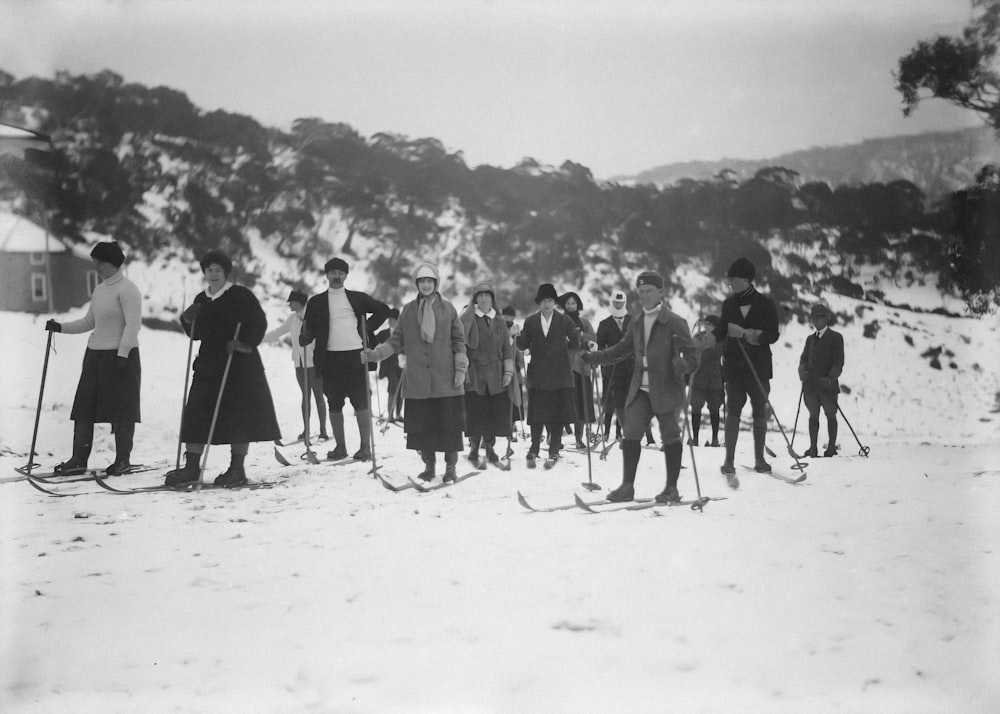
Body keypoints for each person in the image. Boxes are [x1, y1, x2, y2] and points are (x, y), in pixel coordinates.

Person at [165, 250, 281, 486]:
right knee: (197, 413)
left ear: (226, 273)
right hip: (209, 363)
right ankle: (191, 468)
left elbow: (259, 322)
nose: (213, 274)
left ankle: (237, 469)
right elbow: (196, 334)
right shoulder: (202, 299)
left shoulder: (240, 295)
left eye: (218, 270)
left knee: (237, 416)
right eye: (209, 270)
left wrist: (243, 343)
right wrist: (188, 320)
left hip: (238, 363)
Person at [580, 272, 698, 503]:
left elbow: (693, 357)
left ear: (661, 292)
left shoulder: (675, 322)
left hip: (666, 388)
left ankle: (671, 488)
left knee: (670, 436)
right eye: (641, 291)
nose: (644, 296)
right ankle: (627, 487)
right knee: (631, 433)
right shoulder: (636, 321)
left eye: (649, 291)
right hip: (640, 389)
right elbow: (620, 350)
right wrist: (594, 358)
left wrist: (683, 365)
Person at [362, 263, 468, 482]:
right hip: (418, 382)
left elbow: (459, 340)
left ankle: (450, 469)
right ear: (417, 284)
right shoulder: (408, 310)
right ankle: (429, 467)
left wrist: (460, 367)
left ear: (436, 283)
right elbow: (396, 340)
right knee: (423, 429)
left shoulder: (448, 309)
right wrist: (376, 354)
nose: (426, 285)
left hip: (446, 380)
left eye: (430, 281)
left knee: (449, 428)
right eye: (422, 281)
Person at [45, 241, 142, 475]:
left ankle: (122, 460)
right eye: (95, 262)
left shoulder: (128, 289)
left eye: (100, 262)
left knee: (121, 410)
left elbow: (133, 325)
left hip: (121, 357)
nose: (96, 266)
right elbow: (89, 322)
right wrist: (60, 327)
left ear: (113, 263)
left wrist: (122, 354)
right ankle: (79, 459)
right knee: (84, 409)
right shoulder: (100, 290)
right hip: (95, 356)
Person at [299, 257, 391, 461]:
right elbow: (309, 327)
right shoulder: (316, 301)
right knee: (333, 402)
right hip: (329, 358)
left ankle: (365, 447)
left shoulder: (357, 298)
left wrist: (368, 327)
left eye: (341, 273)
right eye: (333, 272)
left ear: (346, 276)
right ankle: (340, 447)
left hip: (356, 356)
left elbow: (383, 309)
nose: (337, 276)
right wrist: (306, 337)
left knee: (360, 402)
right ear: (327, 275)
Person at [712, 257, 780, 487]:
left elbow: (773, 334)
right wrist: (710, 338)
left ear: (745, 280)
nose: (730, 284)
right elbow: (721, 330)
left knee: (759, 410)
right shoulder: (729, 305)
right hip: (734, 367)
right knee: (733, 411)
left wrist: (748, 334)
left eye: (733, 280)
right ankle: (729, 459)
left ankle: (760, 459)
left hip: (759, 367)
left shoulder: (766, 304)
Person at [514, 283, 581, 467]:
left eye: (550, 301)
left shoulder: (564, 321)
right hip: (538, 374)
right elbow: (523, 345)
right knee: (537, 414)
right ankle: (534, 447)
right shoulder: (531, 321)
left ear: (554, 303)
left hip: (560, 374)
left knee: (558, 414)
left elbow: (576, 343)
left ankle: (554, 450)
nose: (547, 304)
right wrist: (516, 336)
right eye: (544, 301)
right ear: (539, 302)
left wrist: (579, 338)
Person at [263, 289, 329, 441]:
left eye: (291, 302)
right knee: (305, 396)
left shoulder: (313, 316)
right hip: (299, 363)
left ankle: (323, 430)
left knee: (318, 395)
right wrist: (257, 339)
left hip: (313, 362)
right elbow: (277, 332)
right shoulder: (292, 319)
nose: (289, 305)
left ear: (299, 302)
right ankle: (306, 430)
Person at [460, 283, 514, 465]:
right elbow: (460, 346)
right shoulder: (467, 320)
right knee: (475, 409)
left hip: (495, 372)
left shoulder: (499, 321)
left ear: (492, 298)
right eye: (480, 296)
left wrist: (508, 371)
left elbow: (507, 347)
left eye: (487, 295)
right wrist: (463, 370)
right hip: (474, 371)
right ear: (475, 299)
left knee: (493, 410)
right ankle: (474, 446)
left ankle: (490, 447)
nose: (483, 299)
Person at [595, 289, 655, 447]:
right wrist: (604, 361)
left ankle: (647, 436)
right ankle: (615, 432)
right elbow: (600, 346)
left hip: (632, 368)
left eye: (621, 302)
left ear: (625, 303)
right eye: (616, 302)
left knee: (638, 400)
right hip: (612, 368)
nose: (618, 304)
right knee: (614, 402)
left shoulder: (633, 321)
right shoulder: (604, 324)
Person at [798, 300, 844, 457]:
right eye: (814, 318)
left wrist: (830, 378)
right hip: (811, 387)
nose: (816, 320)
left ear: (826, 318)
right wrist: (802, 371)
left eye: (820, 317)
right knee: (813, 416)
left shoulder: (836, 338)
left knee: (831, 415)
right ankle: (813, 448)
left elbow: (839, 362)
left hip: (827, 386)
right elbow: (803, 359)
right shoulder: (810, 340)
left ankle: (831, 447)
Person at [558, 291, 597, 450]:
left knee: (582, 405)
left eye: (573, 303)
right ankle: (555, 436)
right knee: (563, 403)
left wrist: (582, 337)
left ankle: (578, 438)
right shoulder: (559, 321)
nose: (570, 306)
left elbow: (593, 339)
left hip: (582, 367)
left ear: (578, 305)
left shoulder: (584, 322)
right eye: (567, 303)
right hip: (565, 367)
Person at [689, 315, 724, 447]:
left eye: (710, 324)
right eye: (706, 323)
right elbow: (691, 353)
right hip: (698, 377)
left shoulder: (721, 339)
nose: (707, 326)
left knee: (715, 408)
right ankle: (695, 438)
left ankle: (715, 438)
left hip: (715, 378)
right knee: (696, 407)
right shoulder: (698, 337)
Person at [502, 305, 526, 442]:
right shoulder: (498, 327)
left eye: (510, 316)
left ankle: (511, 428)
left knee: (515, 400)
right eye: (506, 316)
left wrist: (521, 363)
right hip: (501, 369)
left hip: (515, 371)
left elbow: (519, 348)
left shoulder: (516, 328)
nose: (508, 318)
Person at [375, 308, 403, 422]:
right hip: (389, 365)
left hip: (401, 364)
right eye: (389, 319)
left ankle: (398, 414)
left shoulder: (403, 333)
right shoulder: (384, 333)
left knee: (400, 388)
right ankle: (390, 414)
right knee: (393, 387)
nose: (390, 321)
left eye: (392, 319)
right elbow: (373, 342)